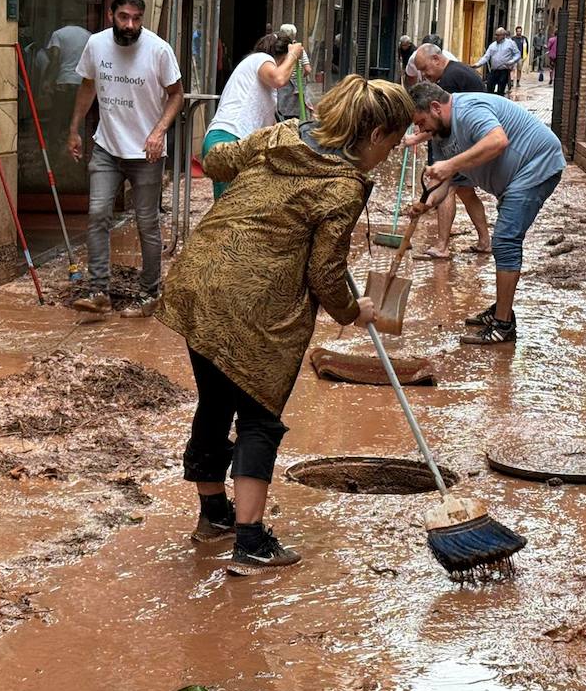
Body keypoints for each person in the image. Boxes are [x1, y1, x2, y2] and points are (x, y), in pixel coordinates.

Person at [155, 77, 411, 575]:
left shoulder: (282, 135)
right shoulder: (343, 185)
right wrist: (352, 310)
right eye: (394, 143)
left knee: (215, 400)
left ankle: (214, 515)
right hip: (255, 303)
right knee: (259, 413)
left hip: (199, 278)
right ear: (376, 133)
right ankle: (250, 541)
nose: (392, 153)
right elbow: (324, 272)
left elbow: (219, 160)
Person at [409, 81, 565, 343]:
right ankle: (501, 310)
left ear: (436, 108)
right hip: (513, 180)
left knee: (504, 241)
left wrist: (450, 164)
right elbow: (444, 185)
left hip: (536, 164)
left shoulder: (469, 110)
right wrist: (425, 204)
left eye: (422, 121)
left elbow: (498, 140)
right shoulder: (440, 135)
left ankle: (503, 326)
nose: (420, 129)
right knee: (505, 240)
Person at [68, 0, 184, 318]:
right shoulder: (96, 44)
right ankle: (99, 292)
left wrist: (158, 133)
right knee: (98, 214)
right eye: (124, 17)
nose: (130, 25)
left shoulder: (159, 51)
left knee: (147, 222)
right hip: (107, 146)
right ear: (111, 16)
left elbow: (177, 95)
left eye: (136, 19)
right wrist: (74, 129)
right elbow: (88, 86)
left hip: (146, 152)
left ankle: (150, 294)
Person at [413, 44, 491, 260]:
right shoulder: (458, 71)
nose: (425, 76)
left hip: (466, 143)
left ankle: (442, 246)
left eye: (426, 69)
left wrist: (416, 137)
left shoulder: (448, 81)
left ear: (437, 59)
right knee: (465, 191)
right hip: (471, 142)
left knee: (446, 188)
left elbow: (439, 122)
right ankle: (485, 241)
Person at [204, 32, 305, 198]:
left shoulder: (265, 88)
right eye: (287, 63)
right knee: (234, 210)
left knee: (237, 211)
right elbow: (279, 78)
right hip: (228, 138)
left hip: (236, 142)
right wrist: (294, 55)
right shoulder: (260, 59)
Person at [42, 21, 91, 148]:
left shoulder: (58, 34)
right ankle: (78, 148)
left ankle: (53, 149)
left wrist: (48, 80)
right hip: (81, 83)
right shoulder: (88, 35)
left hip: (63, 82)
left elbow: (55, 59)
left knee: (57, 118)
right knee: (78, 118)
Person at [475, 28, 520, 96]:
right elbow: (486, 57)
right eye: (495, 35)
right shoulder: (492, 45)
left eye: (498, 35)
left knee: (500, 89)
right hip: (494, 70)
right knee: (489, 86)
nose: (496, 37)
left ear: (503, 35)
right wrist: (478, 64)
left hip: (504, 70)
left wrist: (512, 61)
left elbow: (517, 54)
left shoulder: (510, 43)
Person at [511, 27, 529, 91]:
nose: (519, 32)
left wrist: (525, 55)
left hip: (520, 57)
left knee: (519, 70)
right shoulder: (513, 39)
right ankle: (512, 81)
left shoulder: (524, 39)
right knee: (512, 69)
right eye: (518, 31)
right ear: (516, 31)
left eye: (520, 31)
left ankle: (518, 81)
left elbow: (527, 47)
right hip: (513, 56)